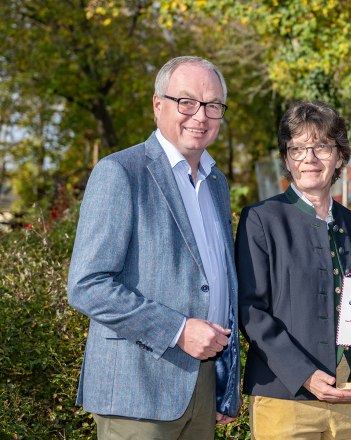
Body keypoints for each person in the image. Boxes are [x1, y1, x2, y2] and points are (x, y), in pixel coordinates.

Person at [67, 56, 240, 438]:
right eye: (187, 102)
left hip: (201, 385)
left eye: (213, 106)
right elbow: (87, 285)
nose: (201, 116)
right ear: (157, 104)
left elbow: (215, 283)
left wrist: (225, 385)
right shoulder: (120, 172)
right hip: (137, 390)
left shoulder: (216, 183)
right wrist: (178, 330)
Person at [236, 100, 351, 439]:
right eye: (297, 149)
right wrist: (304, 373)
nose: (309, 159)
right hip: (285, 397)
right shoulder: (261, 219)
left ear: (340, 156)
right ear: (286, 159)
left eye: (321, 147)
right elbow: (250, 310)